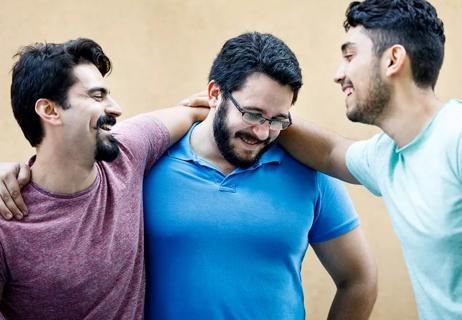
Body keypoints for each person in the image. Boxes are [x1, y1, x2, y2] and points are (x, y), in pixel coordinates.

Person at [143, 32, 377, 319]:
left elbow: (359, 280)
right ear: (215, 94)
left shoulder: (311, 174)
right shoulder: (151, 166)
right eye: (253, 114)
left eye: (278, 120)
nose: (262, 132)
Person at [276, 0, 461, 318]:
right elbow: (330, 152)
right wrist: (253, 115)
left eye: (350, 56)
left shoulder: (456, 137)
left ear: (393, 60)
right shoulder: (387, 155)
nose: (339, 74)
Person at [0, 38, 206, 319]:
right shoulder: (7, 221)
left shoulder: (127, 152)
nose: (116, 108)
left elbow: (200, 110)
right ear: (49, 110)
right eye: (97, 97)